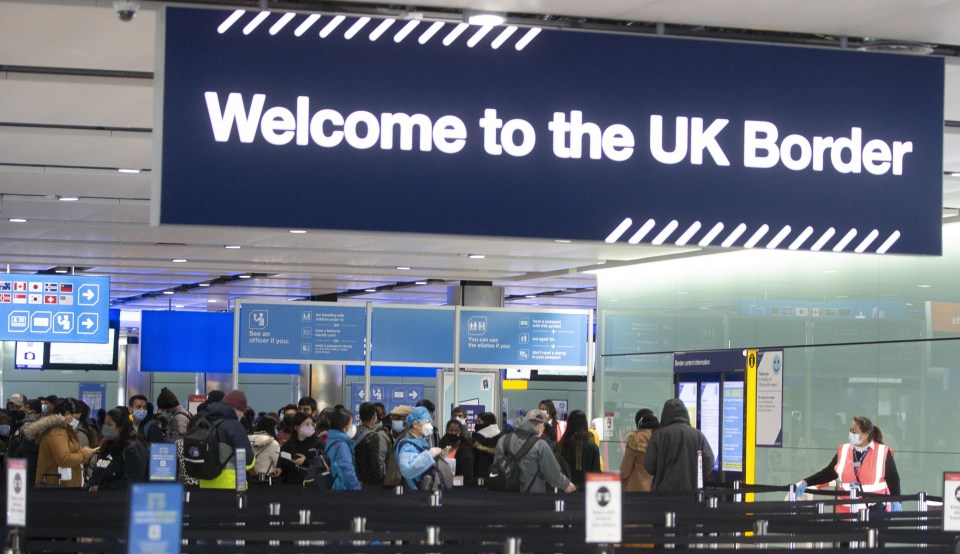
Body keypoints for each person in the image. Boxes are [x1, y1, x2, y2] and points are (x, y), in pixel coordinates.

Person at [794, 416, 902, 513]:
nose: (851, 433)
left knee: (871, 536)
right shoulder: (844, 451)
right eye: (850, 429)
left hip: (874, 510)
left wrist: (896, 500)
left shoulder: (882, 452)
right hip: (846, 511)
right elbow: (828, 473)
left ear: (865, 435)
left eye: (854, 431)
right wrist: (806, 482)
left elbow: (893, 479)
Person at [493, 409, 576, 493]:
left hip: (504, 496)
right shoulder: (540, 444)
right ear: (540, 425)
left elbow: (497, 466)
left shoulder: (503, 440)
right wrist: (566, 485)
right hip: (531, 498)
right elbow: (552, 473)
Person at [644, 398, 714, 492]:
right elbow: (708, 463)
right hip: (691, 495)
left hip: (663, 496)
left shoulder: (658, 436)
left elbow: (649, 466)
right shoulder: (697, 435)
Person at [24, 398, 96, 487]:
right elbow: (64, 459)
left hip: (62, 486)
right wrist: (84, 454)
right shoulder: (57, 432)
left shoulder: (66, 431)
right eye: (76, 418)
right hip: (56, 488)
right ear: (67, 414)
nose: (76, 422)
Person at [198, 390, 255, 489]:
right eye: (242, 412)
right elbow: (248, 460)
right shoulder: (234, 426)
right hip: (229, 486)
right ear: (237, 409)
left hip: (204, 484)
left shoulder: (203, 421)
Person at [88, 407, 148, 491]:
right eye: (104, 424)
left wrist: (102, 489)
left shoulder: (133, 448)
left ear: (121, 427)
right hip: (100, 499)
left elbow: (132, 481)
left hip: (121, 500)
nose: (105, 427)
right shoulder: (108, 445)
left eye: (109, 425)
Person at [397, 406, 443, 489]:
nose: (430, 425)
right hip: (412, 492)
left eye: (430, 422)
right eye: (427, 421)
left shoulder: (421, 440)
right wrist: (429, 455)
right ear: (415, 424)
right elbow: (406, 471)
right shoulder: (407, 444)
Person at [273, 412, 324, 486]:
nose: (310, 427)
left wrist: (305, 462)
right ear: (296, 427)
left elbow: (323, 465)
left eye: (312, 424)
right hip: (291, 486)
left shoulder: (318, 444)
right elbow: (281, 464)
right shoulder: (287, 446)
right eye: (306, 424)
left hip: (312, 485)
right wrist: (279, 469)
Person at [556, 409, 601, 487]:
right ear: (585, 424)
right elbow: (596, 474)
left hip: (564, 489)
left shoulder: (560, 445)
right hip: (584, 491)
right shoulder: (592, 447)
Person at [621, 408, 659, 492]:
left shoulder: (635, 439)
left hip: (636, 489)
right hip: (657, 490)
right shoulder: (662, 438)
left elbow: (625, 469)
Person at [354, 402, 391, 486]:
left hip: (356, 478)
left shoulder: (354, 433)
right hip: (370, 482)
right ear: (374, 416)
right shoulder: (373, 436)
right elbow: (376, 464)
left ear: (359, 417)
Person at [325, 406, 361, 490]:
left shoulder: (331, 439)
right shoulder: (341, 445)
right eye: (351, 423)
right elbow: (347, 470)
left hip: (333, 486)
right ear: (343, 426)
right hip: (341, 488)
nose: (353, 426)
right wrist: (356, 488)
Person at [471, 412, 503, 480]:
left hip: (483, 474)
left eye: (479, 422)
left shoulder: (476, 439)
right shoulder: (501, 438)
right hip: (494, 474)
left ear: (487, 422)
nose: (477, 425)